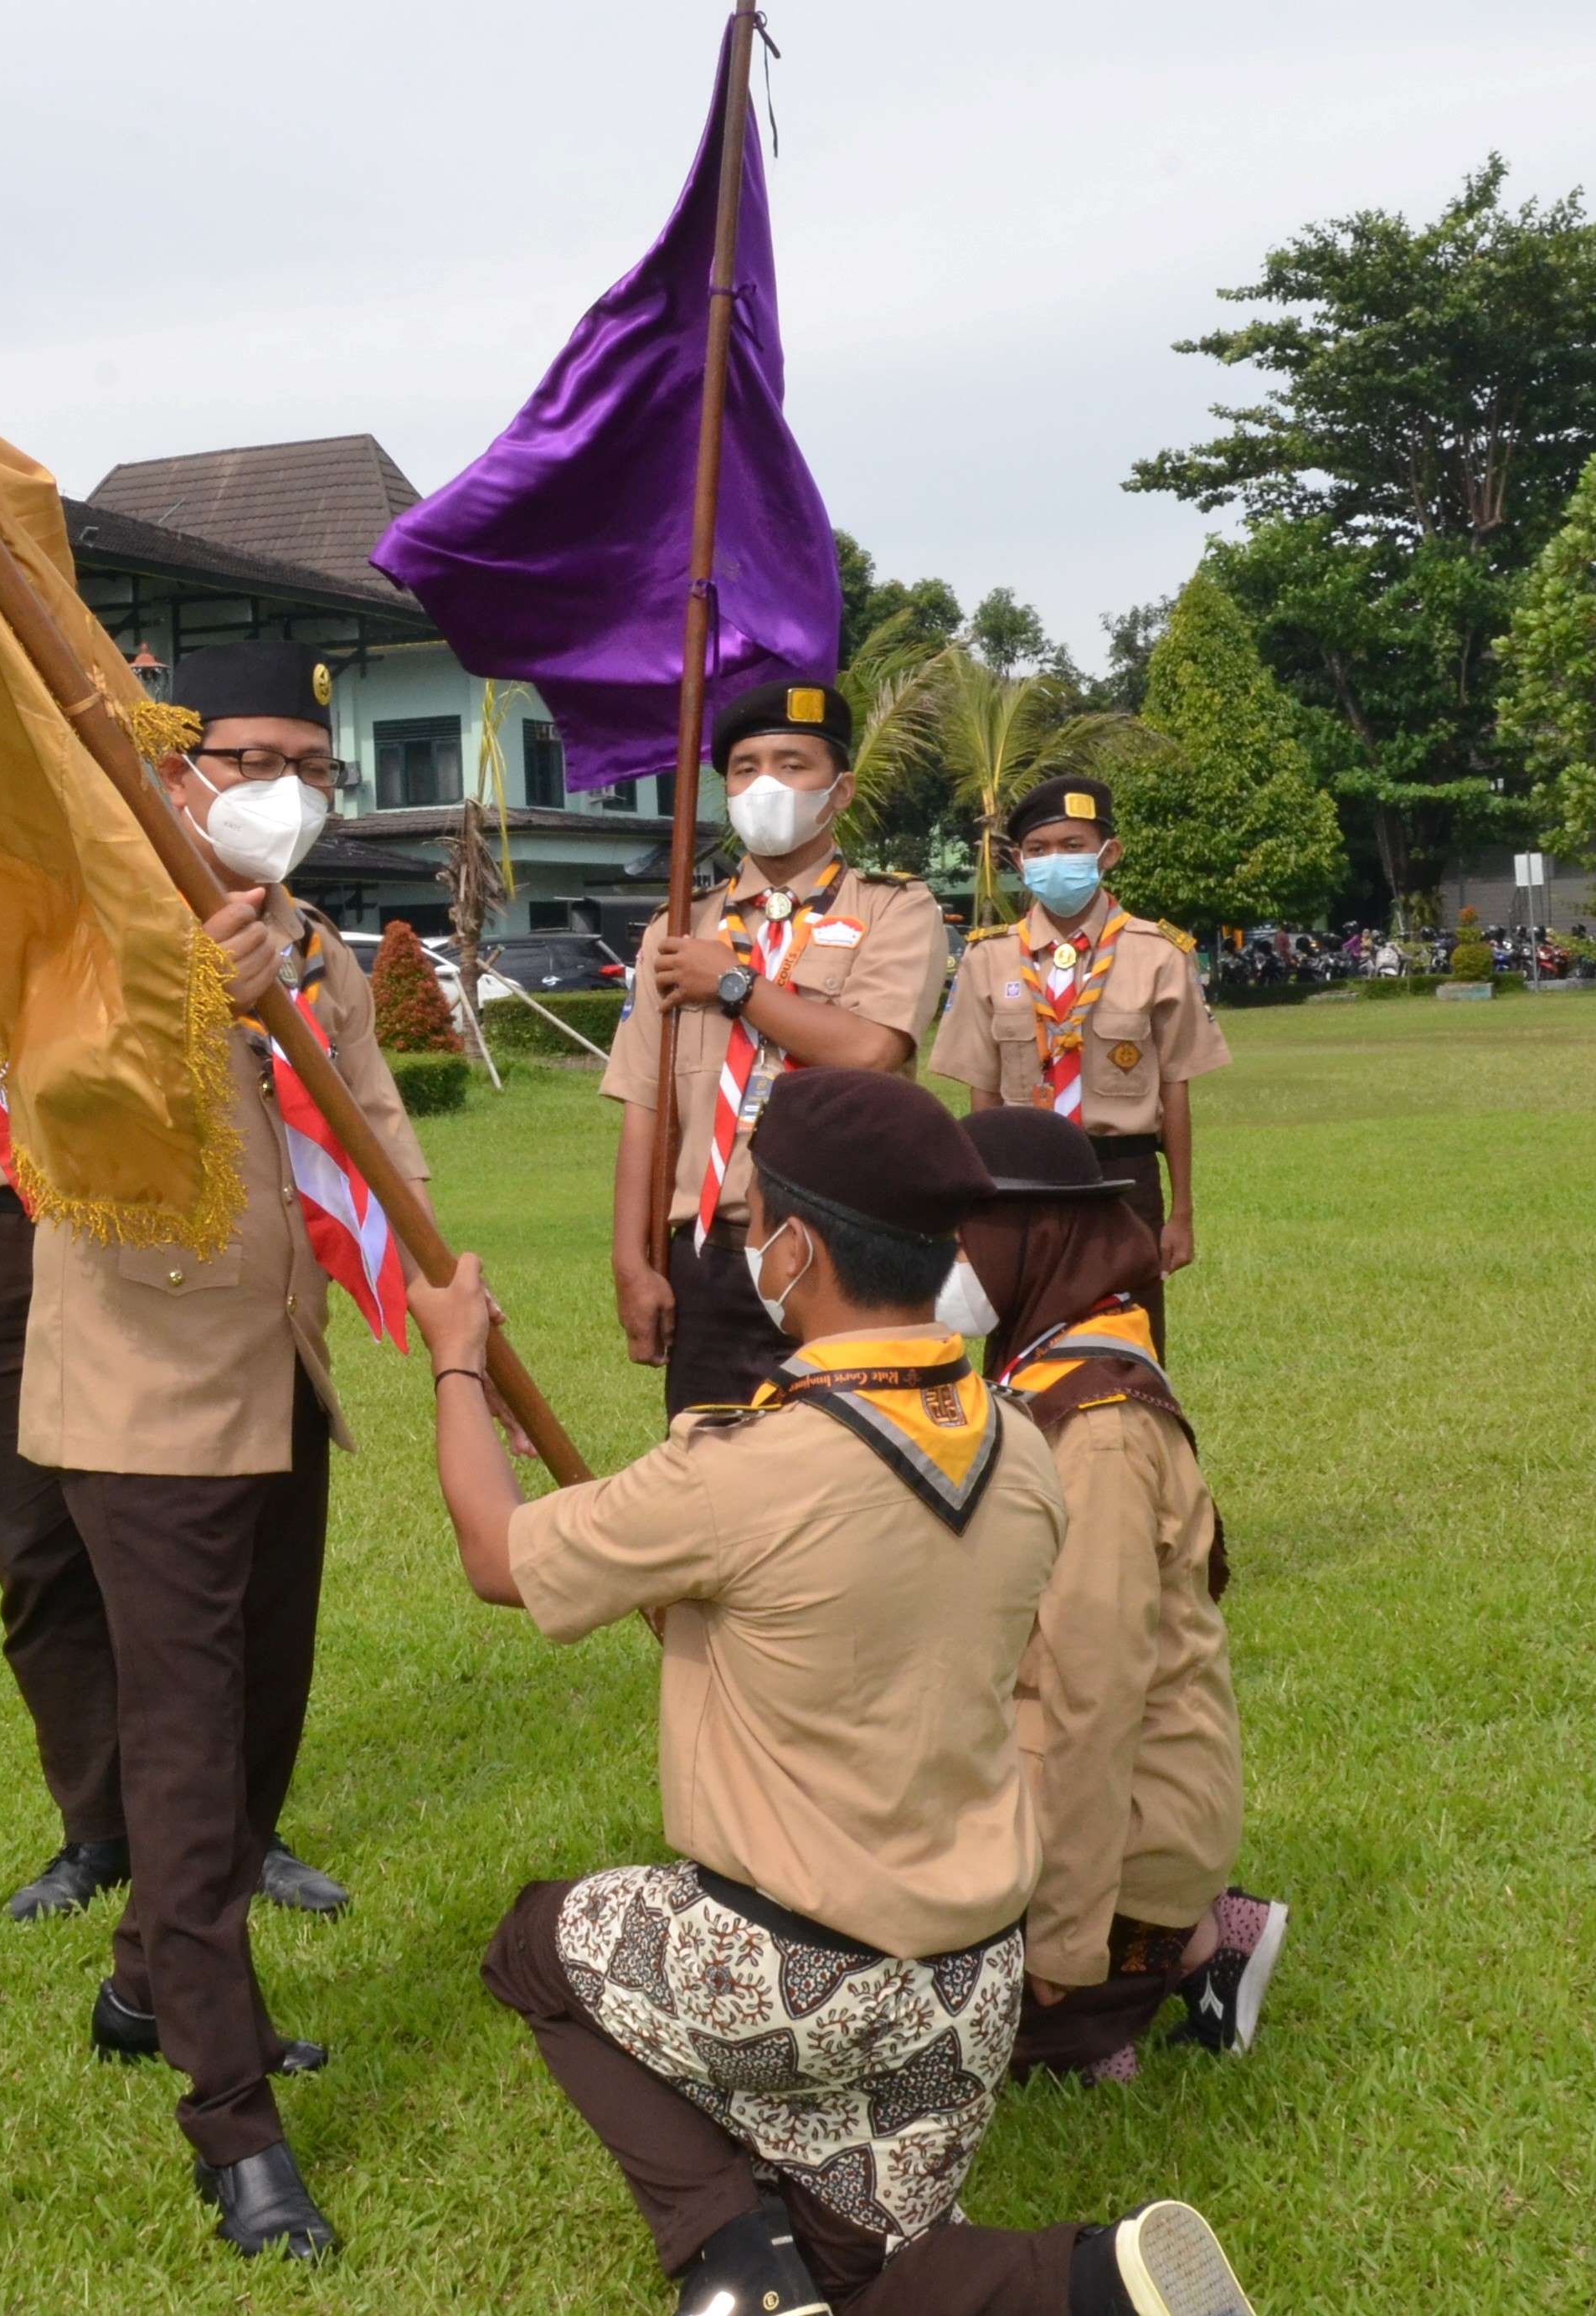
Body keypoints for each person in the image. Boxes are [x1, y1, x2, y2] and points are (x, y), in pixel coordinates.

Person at [413, 1068, 1259, 2316]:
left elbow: (497, 1557)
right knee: (871, 2276)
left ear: (799, 1245)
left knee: (536, 1944)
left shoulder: (740, 1467)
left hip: (801, 1968)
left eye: (753, 1219)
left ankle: (726, 2254)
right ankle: (1100, 2284)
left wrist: (452, 1367)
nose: (745, 1240)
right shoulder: (1023, 1444)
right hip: (970, 1975)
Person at [18, 638, 422, 2258]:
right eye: (249, 759)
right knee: (187, 1758)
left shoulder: (311, 943)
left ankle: (147, 1983)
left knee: (257, 1737)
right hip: (142, 1402)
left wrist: (448, 1283)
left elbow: (370, 1119)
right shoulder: (89, 917)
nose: (284, 796)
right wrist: (201, 981)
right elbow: (57, 1093)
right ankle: (232, 2121)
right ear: (169, 767)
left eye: (310, 769)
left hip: (278, 1380)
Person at [0, 1073, 359, 1926]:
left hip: (153, 1216)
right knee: (35, 1544)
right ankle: (97, 1830)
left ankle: (237, 1827)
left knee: (214, 1538)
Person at [950, 1108, 1284, 2083]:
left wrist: (1062, 1936)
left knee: (953, 2051)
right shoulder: (1046, 1364)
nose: (939, 1263)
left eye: (956, 1233)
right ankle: (1171, 1940)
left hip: (1118, 1813)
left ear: (1033, 1235)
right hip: (1082, 1787)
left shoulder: (1093, 1429)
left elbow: (1094, 1692)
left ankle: (1166, 1947)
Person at [606, 668, 950, 1415]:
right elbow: (644, 1104)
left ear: (842, 789)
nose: (767, 785)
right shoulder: (677, 929)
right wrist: (631, 1261)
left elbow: (870, 1050)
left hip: (848, 1260)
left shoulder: (896, 909)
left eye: (794, 766)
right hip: (714, 1257)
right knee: (710, 1473)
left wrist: (734, 985)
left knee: (850, 1482)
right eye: (746, 769)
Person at [929, 774, 1227, 1357]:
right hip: (1022, 1184)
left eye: (1073, 845)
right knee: (1018, 1348)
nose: (1055, 861)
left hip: (1125, 1180)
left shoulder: (1157, 955)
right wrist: (980, 1207)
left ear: (1108, 853)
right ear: (1018, 860)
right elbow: (982, 1097)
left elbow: (1176, 1088)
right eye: (1038, 850)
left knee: (1129, 1346)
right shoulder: (989, 958)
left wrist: (1182, 1213)